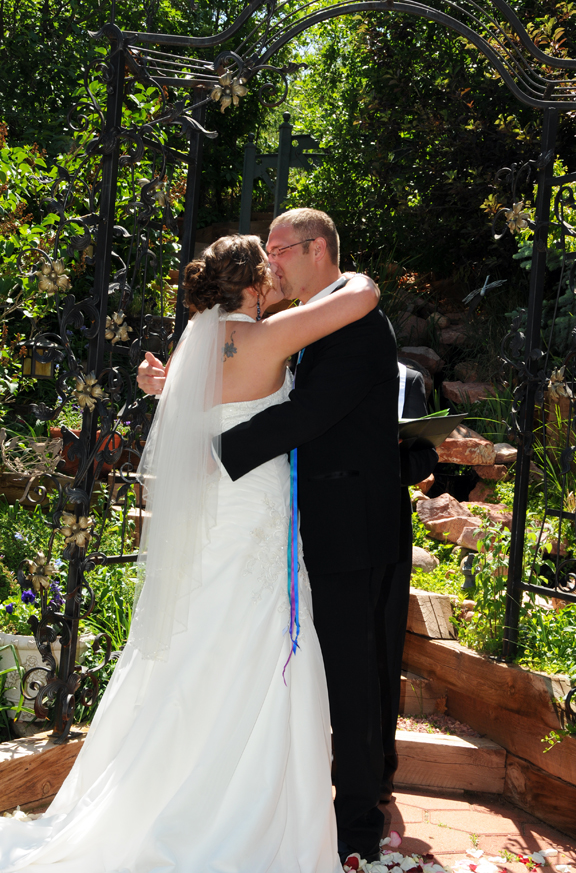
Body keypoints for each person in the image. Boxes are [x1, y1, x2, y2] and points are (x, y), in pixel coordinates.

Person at [0, 234, 380, 873]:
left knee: (198, 649)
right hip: (253, 512)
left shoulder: (199, 340)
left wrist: (158, 383)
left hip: (212, 518)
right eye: (271, 262)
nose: (280, 271)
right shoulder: (266, 337)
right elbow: (363, 296)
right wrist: (351, 270)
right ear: (254, 283)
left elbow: (189, 398)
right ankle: (234, 820)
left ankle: (169, 792)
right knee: (251, 649)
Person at [183, 209, 403, 865]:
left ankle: (359, 822)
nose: (271, 260)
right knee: (335, 671)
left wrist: (214, 452)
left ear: (316, 248)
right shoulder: (316, 317)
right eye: (268, 251)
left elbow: (309, 413)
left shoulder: (355, 316)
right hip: (313, 518)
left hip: (353, 524)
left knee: (357, 677)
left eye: (279, 248)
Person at [377, 364, 438, 802]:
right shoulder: (307, 360)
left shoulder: (406, 380)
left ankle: (379, 771)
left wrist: (381, 458)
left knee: (382, 650)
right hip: (314, 525)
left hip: (386, 531)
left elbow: (423, 457)